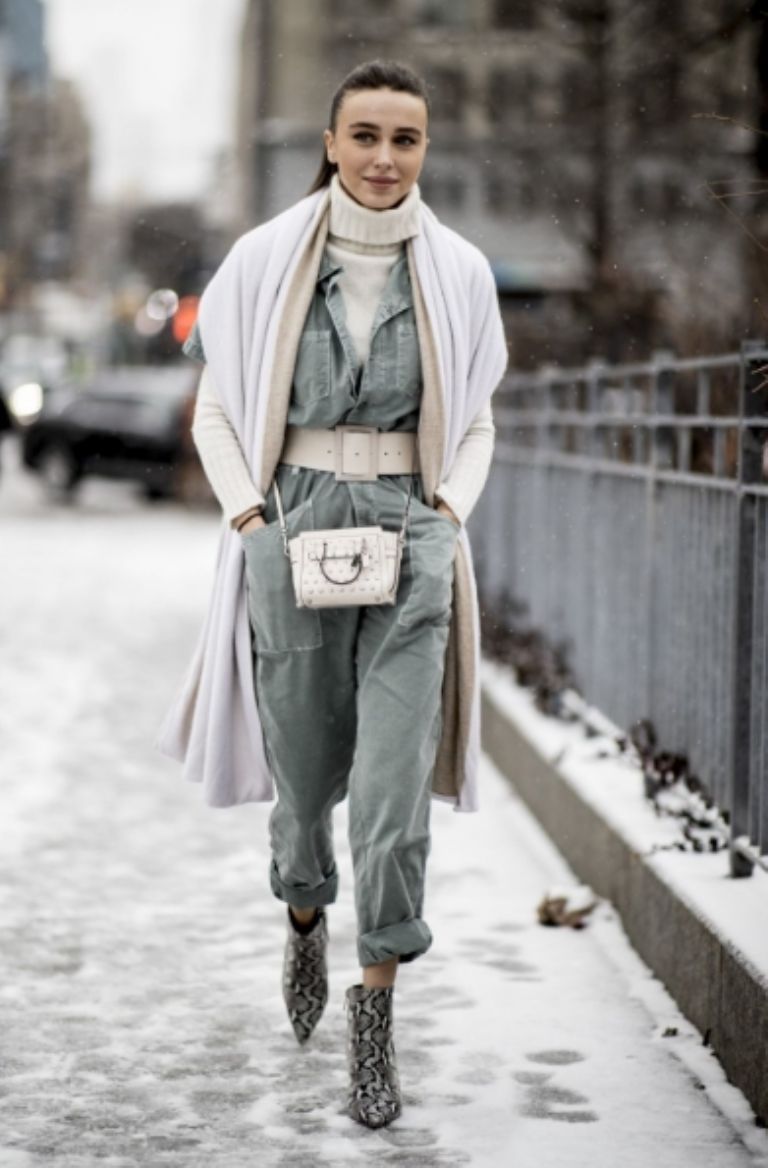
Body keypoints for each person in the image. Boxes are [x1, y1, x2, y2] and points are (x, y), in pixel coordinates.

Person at [157, 59, 507, 1129]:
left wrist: (446, 514)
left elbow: (478, 418)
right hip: (293, 523)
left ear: (425, 148)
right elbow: (218, 412)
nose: (385, 158)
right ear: (330, 142)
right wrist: (251, 524)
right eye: (366, 135)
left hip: (410, 530)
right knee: (306, 783)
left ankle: (375, 1018)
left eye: (406, 138)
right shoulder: (266, 259)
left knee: (394, 794)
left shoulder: (460, 271)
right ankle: (304, 914)